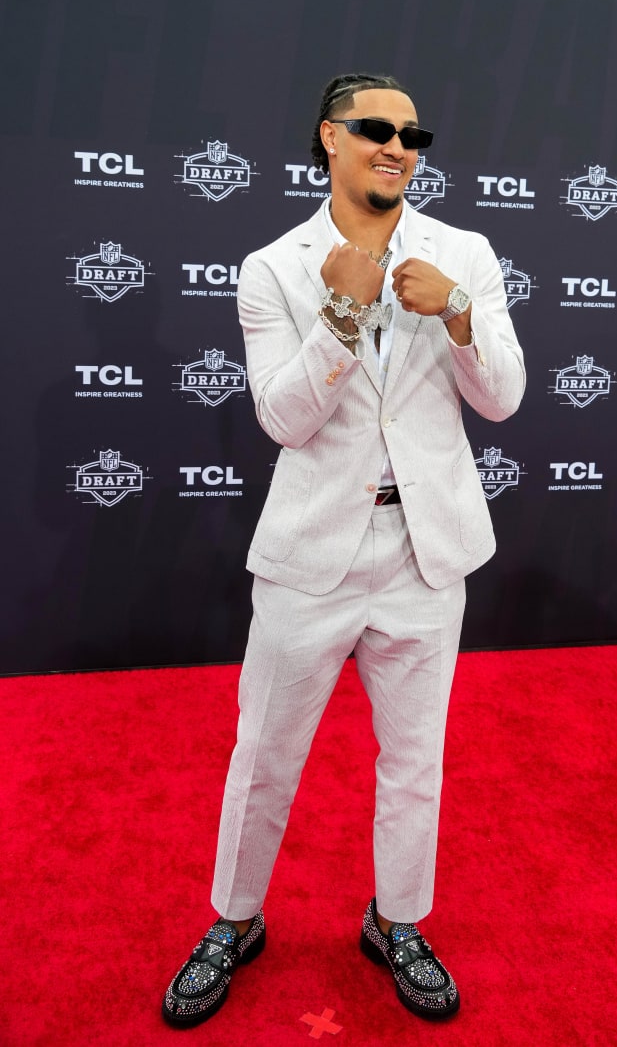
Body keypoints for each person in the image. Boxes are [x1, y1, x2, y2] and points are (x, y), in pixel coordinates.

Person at [163, 71, 525, 1027]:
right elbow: (283, 418)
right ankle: (234, 921)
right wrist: (341, 313)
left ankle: (397, 920)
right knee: (265, 755)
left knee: (414, 759)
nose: (398, 146)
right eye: (375, 128)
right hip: (311, 553)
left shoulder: (465, 254)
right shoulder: (274, 267)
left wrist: (457, 313)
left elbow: (505, 398)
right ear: (329, 136)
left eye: (414, 134)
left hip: (425, 550)